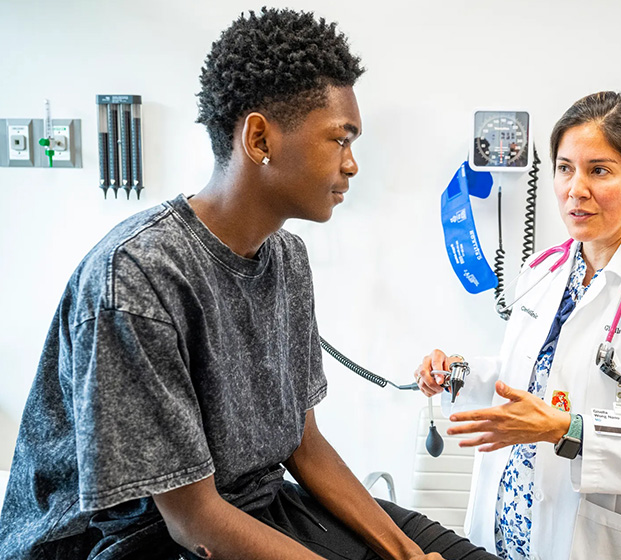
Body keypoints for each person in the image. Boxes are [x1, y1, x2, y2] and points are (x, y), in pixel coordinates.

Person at [0, 8, 498, 560]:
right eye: (340, 139)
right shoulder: (139, 277)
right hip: (140, 538)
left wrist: (405, 555)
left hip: (255, 501)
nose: (352, 164)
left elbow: (302, 444)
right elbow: (194, 522)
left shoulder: (286, 258)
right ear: (259, 137)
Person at [416, 92, 621, 560]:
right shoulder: (542, 272)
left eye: (598, 170)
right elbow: (527, 376)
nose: (575, 189)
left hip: (587, 541)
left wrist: (567, 431)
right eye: (564, 168)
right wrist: (458, 372)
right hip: (503, 530)